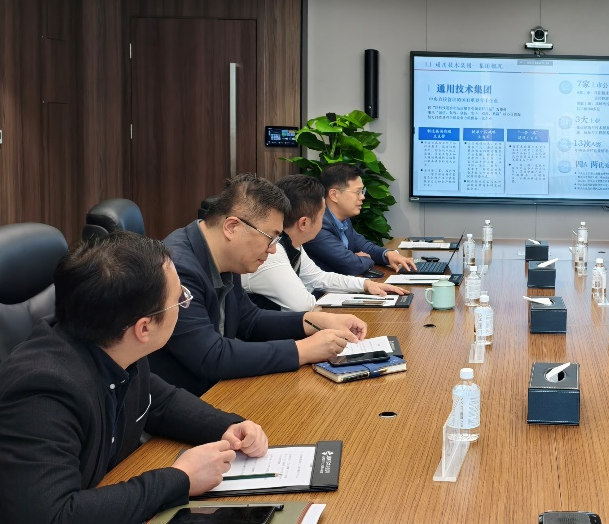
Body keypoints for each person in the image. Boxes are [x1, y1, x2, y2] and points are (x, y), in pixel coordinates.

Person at [0, 233, 267, 524]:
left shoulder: (113, 345)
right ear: (144, 328)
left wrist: (228, 425)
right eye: (179, 300)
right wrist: (180, 478)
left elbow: (158, 401)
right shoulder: (40, 391)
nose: (183, 305)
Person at [155, 174, 368, 395]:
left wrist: (314, 321)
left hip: (218, 388)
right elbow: (210, 355)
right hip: (186, 398)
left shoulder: (227, 256)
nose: (273, 250)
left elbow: (249, 320)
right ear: (232, 227)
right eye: (271, 238)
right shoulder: (176, 268)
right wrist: (302, 350)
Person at [244, 174, 408, 311]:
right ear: (303, 223)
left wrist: (365, 284)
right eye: (322, 215)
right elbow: (304, 305)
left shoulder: (292, 243)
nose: (325, 220)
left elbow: (319, 277)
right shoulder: (272, 253)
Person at [306, 164, 416, 277]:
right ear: (334, 195)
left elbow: (364, 246)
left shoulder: (343, 219)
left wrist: (388, 254)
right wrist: (363, 259)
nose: (362, 197)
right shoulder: (317, 225)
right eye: (357, 192)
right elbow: (351, 265)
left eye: (362, 191)